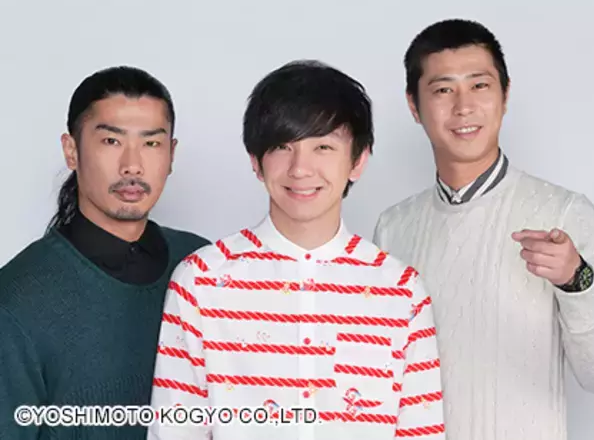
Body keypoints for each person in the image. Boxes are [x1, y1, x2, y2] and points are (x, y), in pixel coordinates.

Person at [147, 60, 446, 439]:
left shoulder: (402, 292)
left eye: (323, 147)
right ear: (256, 162)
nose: (300, 169)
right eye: (282, 147)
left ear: (358, 160)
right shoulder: (200, 281)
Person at [373, 18, 594, 440]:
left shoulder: (564, 213)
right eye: (443, 90)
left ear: (505, 94)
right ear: (413, 106)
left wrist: (576, 279)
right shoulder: (393, 228)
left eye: (480, 85)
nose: (464, 107)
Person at [0, 66, 210, 439]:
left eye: (151, 143)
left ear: (172, 154)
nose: (133, 165)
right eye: (111, 141)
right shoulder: (18, 298)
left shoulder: (202, 268)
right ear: (71, 151)